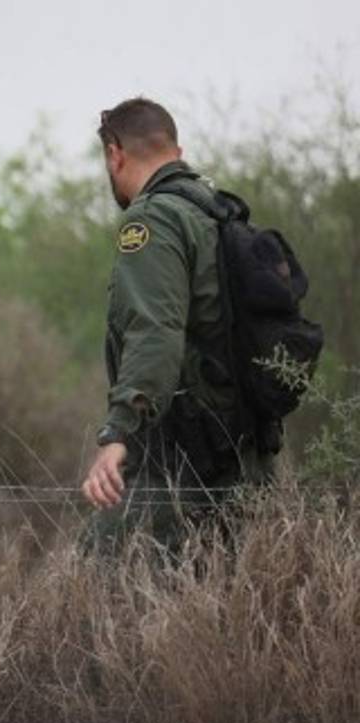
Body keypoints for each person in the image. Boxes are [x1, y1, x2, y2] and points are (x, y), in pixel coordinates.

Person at [81, 98, 273, 552]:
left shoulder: (152, 218)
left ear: (115, 153)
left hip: (179, 463)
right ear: (177, 150)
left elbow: (155, 330)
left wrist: (119, 432)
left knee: (102, 585)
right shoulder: (218, 213)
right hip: (244, 457)